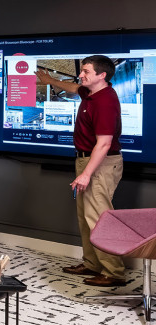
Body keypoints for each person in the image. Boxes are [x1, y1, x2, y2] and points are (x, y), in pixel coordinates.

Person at [37, 56, 126, 287]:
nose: (81, 74)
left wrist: (86, 173)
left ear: (101, 75)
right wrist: (49, 80)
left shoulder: (105, 102)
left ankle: (113, 272)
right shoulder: (92, 92)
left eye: (86, 71)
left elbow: (104, 144)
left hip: (100, 164)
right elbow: (74, 87)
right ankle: (92, 264)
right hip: (86, 161)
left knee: (99, 219)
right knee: (86, 219)